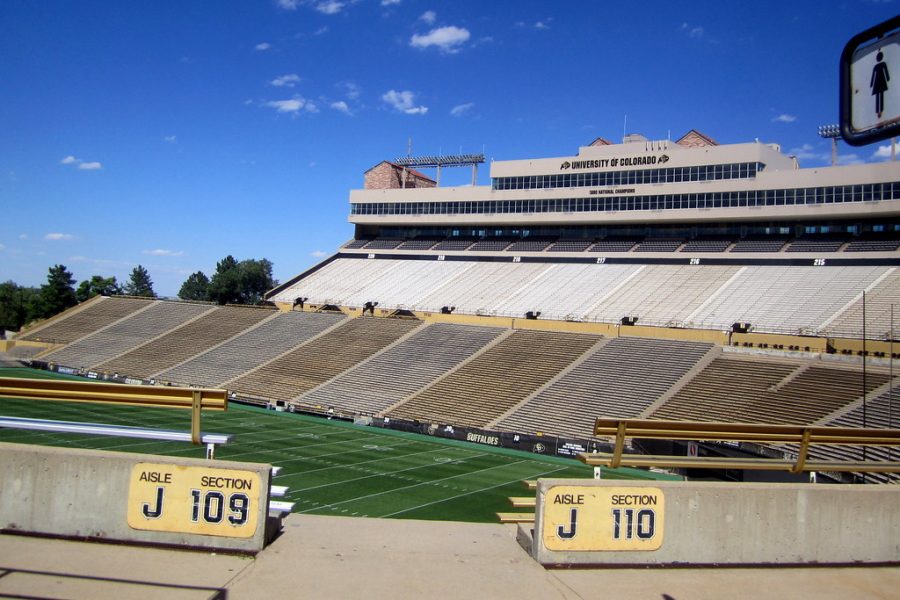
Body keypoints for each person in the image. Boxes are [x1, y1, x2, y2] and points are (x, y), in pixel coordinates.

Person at [871, 50, 890, 119]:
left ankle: (881, 109)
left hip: (881, 80)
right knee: (878, 95)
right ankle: (878, 110)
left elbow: (886, 72)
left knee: (880, 94)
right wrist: (871, 83)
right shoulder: (877, 66)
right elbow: (873, 75)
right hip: (879, 81)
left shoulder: (883, 64)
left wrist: (887, 78)